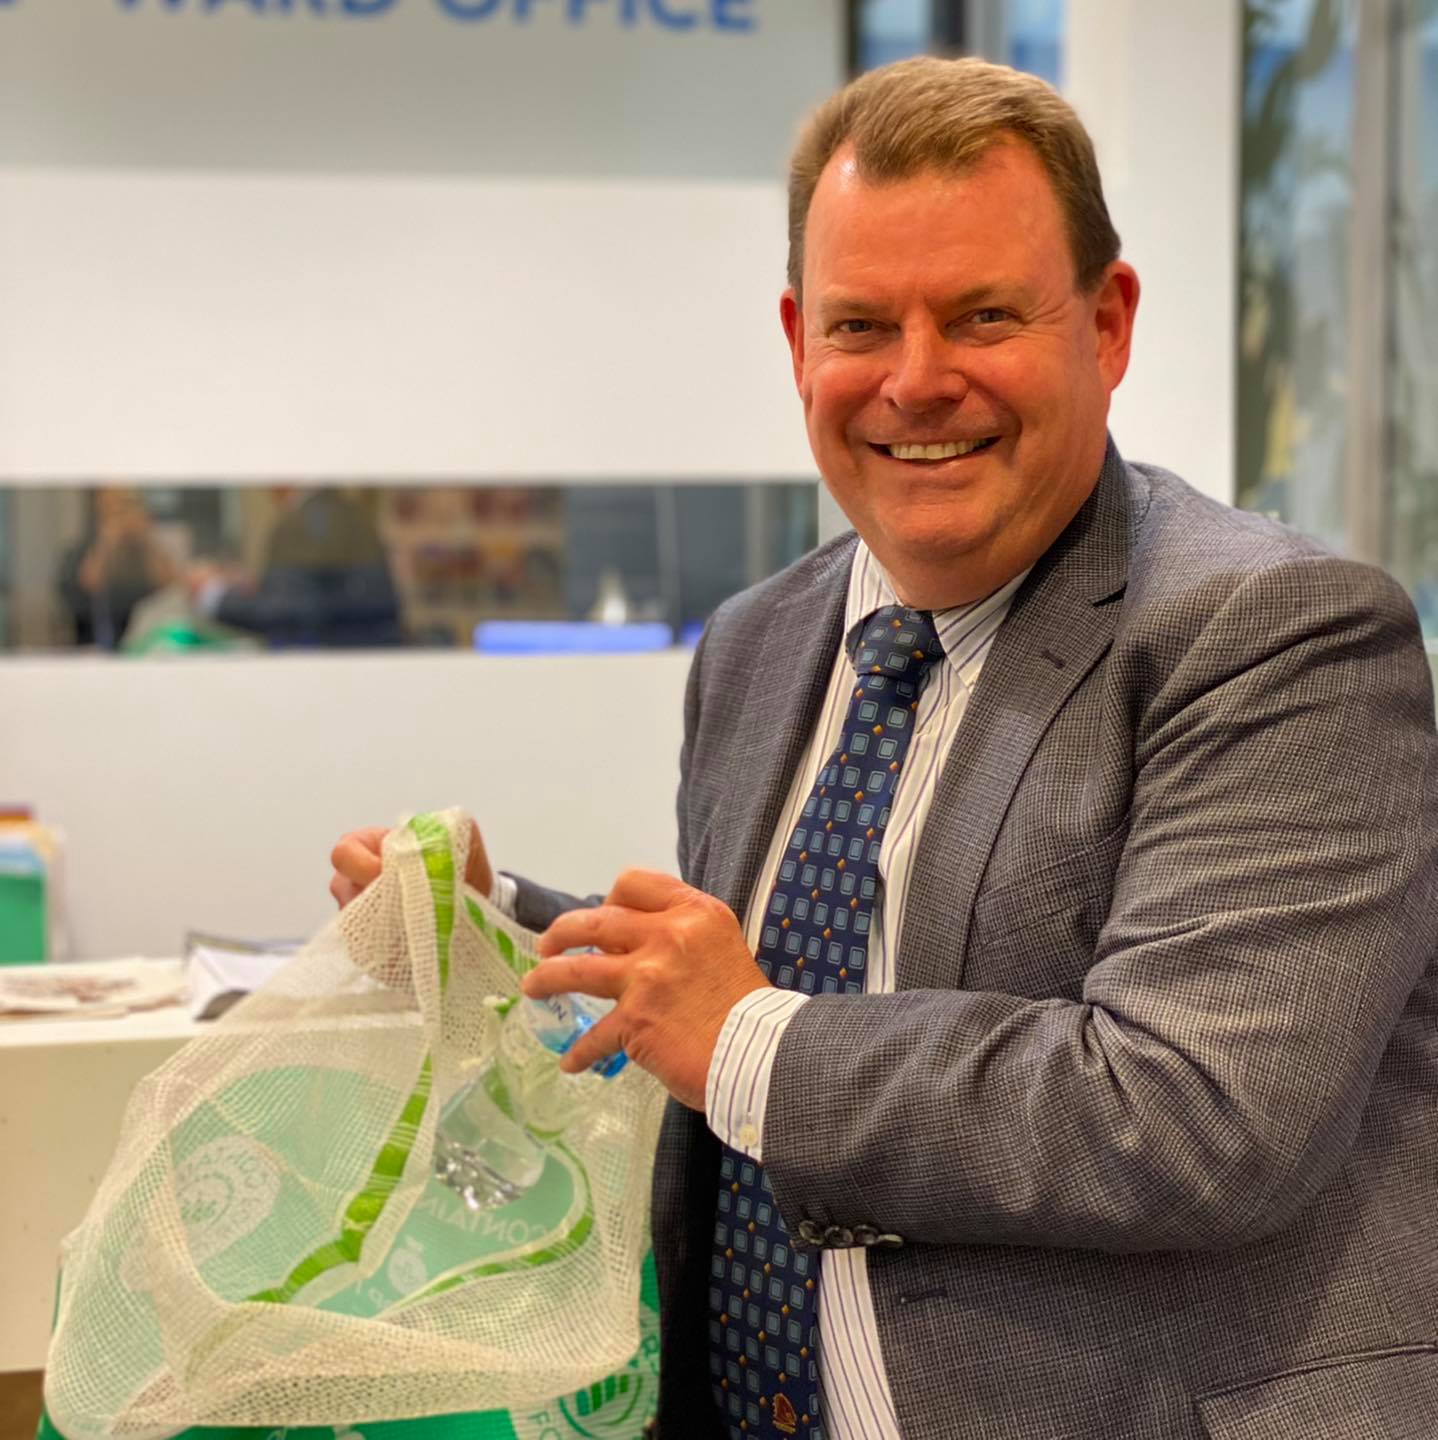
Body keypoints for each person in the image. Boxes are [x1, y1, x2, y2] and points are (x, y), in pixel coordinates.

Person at [331, 56, 1437, 1440]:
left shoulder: (1274, 633)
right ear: (799, 340)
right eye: (862, 324)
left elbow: (1195, 1115)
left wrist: (745, 1038)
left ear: (1106, 324)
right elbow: (781, 981)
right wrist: (497, 922)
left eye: (982, 316)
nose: (916, 382)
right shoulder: (759, 643)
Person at [57, 486, 180, 649]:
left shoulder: (147, 548)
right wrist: (109, 541)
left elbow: (171, 585)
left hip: (147, 638)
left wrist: (146, 539)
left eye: (129, 505)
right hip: (100, 640)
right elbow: (90, 584)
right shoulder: (83, 550)